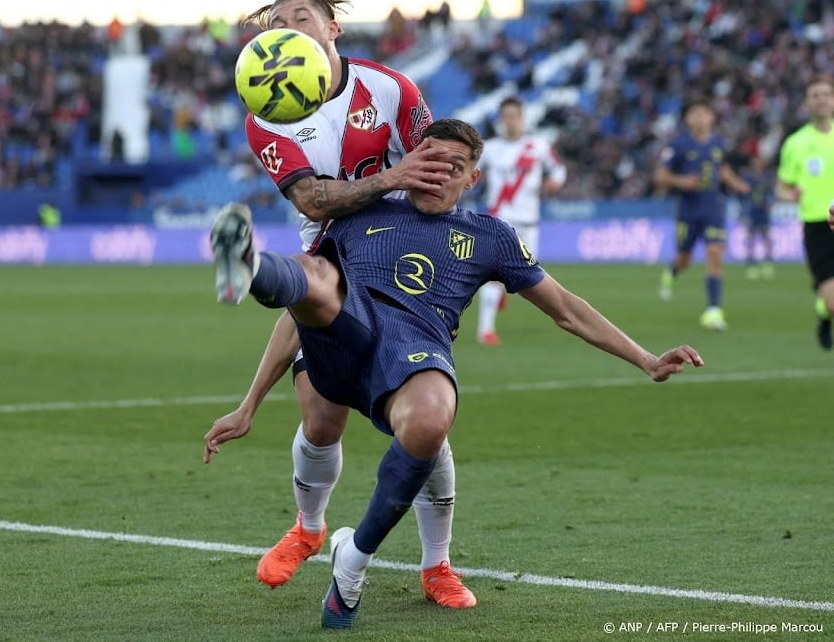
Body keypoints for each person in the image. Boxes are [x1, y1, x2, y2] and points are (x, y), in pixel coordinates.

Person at [207, 118, 704, 629]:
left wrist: (645, 358)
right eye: (430, 160)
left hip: (412, 351)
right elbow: (303, 305)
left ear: (472, 180)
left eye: (455, 167)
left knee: (431, 423)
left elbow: (566, 309)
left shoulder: (490, 237)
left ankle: (354, 560)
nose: (438, 173)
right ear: (411, 160)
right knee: (310, 275)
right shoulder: (362, 213)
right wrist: (251, 404)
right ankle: (249, 266)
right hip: (346, 327)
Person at [201, 0, 477, 609]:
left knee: (424, 421)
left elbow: (436, 172)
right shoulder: (264, 116)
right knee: (322, 421)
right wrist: (392, 175)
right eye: (277, 21)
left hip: (400, 267)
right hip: (328, 253)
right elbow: (313, 199)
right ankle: (308, 528)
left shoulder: (391, 89)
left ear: (332, 30)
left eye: (302, 15)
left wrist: (440, 209)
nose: (288, 26)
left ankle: (437, 565)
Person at [474, 96, 566, 345]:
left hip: (529, 221)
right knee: (492, 276)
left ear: (522, 118)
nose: (511, 121)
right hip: (499, 220)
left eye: (515, 116)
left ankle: (504, 290)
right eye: (506, 117)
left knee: (531, 276)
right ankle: (486, 330)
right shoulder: (490, 148)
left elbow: (558, 169)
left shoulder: (537, 146)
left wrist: (554, 182)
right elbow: (470, 171)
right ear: (500, 120)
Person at [655, 97, 750, 330]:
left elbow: (722, 169)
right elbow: (661, 176)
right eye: (695, 113)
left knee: (715, 254)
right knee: (685, 259)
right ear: (688, 119)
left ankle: (713, 310)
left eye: (704, 113)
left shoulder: (718, 143)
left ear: (711, 118)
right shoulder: (678, 145)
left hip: (714, 208)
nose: (700, 118)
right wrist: (682, 181)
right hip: (688, 211)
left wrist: (736, 183)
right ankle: (672, 270)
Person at [775, 76, 834, 351]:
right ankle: (825, 314)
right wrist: (791, 195)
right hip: (817, 226)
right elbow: (782, 187)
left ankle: (824, 310)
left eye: (826, 94)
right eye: (815, 95)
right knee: (833, 300)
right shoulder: (795, 144)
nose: (821, 98)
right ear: (807, 103)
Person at [739, 151, 775, 280]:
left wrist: (771, 202)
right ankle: (751, 264)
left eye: (760, 160)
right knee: (751, 237)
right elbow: (741, 192)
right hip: (751, 210)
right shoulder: (747, 176)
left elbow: (771, 192)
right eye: (755, 160)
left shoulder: (767, 176)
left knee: (766, 236)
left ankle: (768, 262)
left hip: (763, 210)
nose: (758, 163)